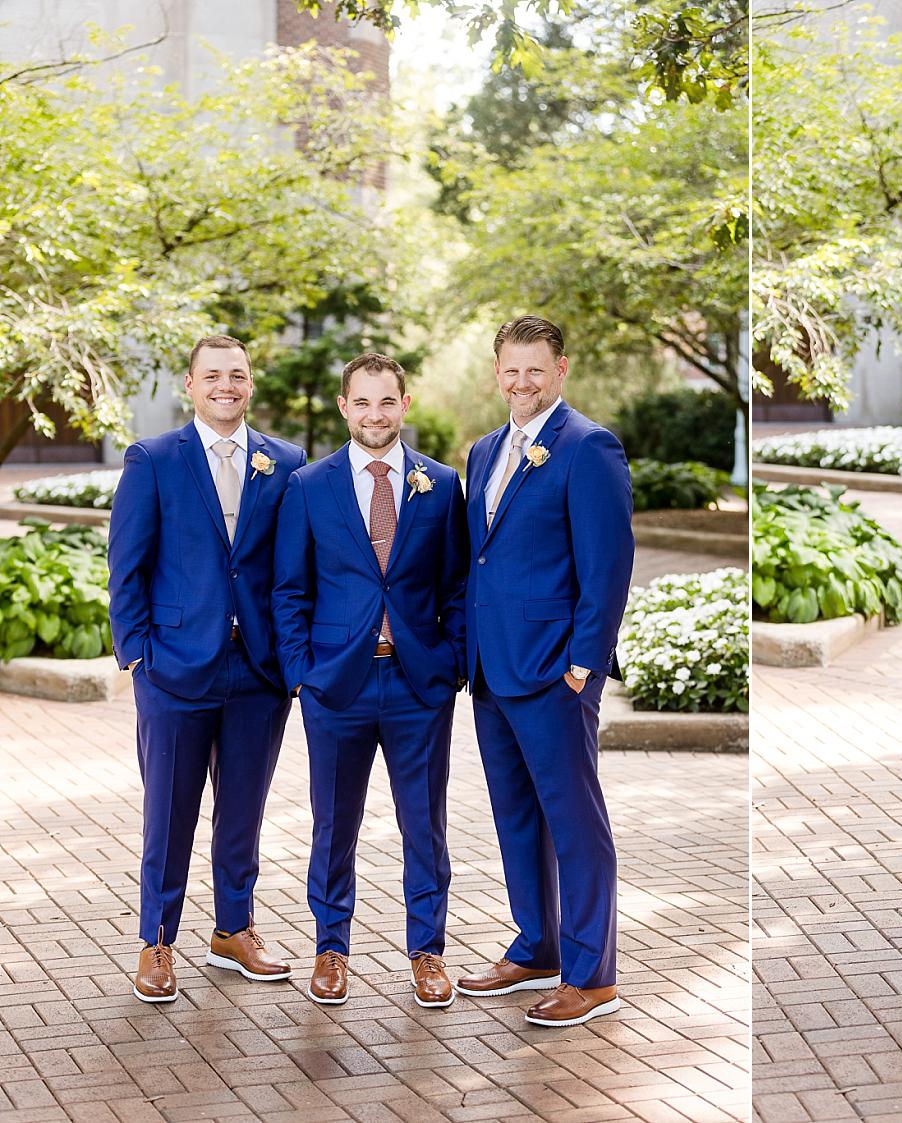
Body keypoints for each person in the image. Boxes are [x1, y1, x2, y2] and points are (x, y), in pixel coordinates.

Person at [108, 333, 305, 1003]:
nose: (227, 385)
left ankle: (233, 929)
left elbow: (293, 569)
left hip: (259, 671)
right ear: (189, 385)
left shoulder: (287, 462)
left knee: (243, 811)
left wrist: (292, 656)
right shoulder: (153, 459)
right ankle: (157, 939)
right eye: (213, 375)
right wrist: (137, 655)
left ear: (251, 384)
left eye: (238, 374)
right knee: (169, 812)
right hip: (173, 670)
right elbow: (127, 564)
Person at [272, 353, 468, 1008]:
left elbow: (457, 586)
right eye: (362, 402)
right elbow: (289, 590)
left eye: (387, 402)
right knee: (334, 825)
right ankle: (331, 947)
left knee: (425, 825)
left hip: (418, 686)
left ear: (404, 404)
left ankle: (428, 951)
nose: (375, 415)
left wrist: (452, 662)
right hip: (337, 687)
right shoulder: (307, 486)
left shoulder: (440, 486)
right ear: (343, 406)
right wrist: (303, 673)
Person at [457, 315, 634, 1027]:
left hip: (555, 671)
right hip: (491, 670)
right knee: (516, 816)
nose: (522, 381)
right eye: (511, 369)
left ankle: (592, 974)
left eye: (536, 369)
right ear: (496, 373)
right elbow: (484, 558)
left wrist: (583, 662)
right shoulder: (484, 450)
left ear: (560, 370)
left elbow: (608, 564)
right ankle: (537, 943)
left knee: (575, 823)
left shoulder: (588, 447)